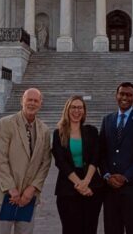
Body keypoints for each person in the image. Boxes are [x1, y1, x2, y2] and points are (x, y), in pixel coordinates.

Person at [0, 88, 52, 234]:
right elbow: (0, 158)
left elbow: (45, 163)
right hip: (7, 195)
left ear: (40, 104)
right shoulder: (6, 123)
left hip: (28, 196)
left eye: (36, 100)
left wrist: (32, 189)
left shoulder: (44, 130)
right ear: (22, 101)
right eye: (29, 99)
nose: (32, 103)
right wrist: (11, 189)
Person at [99, 82, 133, 234]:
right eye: (122, 94)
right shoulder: (107, 120)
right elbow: (101, 153)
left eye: (129, 95)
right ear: (116, 96)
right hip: (110, 189)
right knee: (111, 228)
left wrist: (126, 177)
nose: (125, 97)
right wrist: (107, 175)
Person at [52, 95, 103, 234]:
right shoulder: (58, 134)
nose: (76, 111)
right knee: (70, 229)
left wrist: (86, 182)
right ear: (67, 110)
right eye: (73, 107)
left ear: (84, 111)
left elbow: (95, 157)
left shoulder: (92, 131)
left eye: (80, 107)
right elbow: (60, 161)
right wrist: (79, 184)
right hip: (68, 186)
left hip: (91, 186)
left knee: (90, 229)